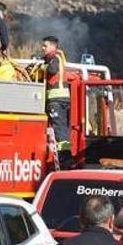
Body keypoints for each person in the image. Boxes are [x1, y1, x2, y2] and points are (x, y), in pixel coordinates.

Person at [40, 35, 72, 168]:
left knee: (59, 130)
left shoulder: (54, 58)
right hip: (62, 99)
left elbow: (52, 70)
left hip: (56, 100)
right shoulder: (58, 58)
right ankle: (65, 157)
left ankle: (64, 158)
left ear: (53, 46)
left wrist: (42, 68)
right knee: (62, 129)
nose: (43, 48)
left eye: (45, 46)